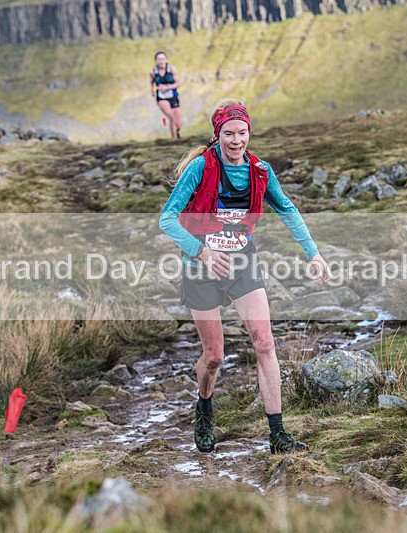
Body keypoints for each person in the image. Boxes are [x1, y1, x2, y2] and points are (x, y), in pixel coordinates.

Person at [158, 99, 331, 455]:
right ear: (217, 134)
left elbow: (287, 208)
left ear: (249, 132)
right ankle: (204, 408)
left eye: (242, 133)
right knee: (215, 355)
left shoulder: (260, 170)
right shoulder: (200, 168)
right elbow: (167, 219)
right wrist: (202, 252)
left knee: (265, 343)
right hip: (200, 266)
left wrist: (313, 253)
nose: (236, 140)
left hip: (242, 262)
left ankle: (277, 434)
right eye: (229, 133)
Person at [150, 51, 183, 139]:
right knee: (171, 117)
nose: (161, 61)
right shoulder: (153, 72)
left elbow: (178, 83)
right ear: (156, 61)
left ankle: (177, 131)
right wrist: (152, 90)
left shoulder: (171, 69)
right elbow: (152, 82)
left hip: (173, 96)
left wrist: (167, 87)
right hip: (161, 97)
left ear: (166, 60)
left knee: (179, 124)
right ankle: (174, 139)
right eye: (159, 59)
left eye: (162, 59)